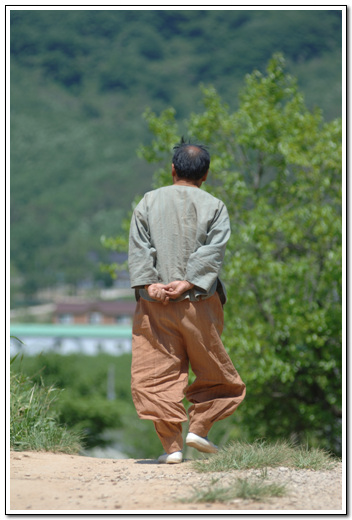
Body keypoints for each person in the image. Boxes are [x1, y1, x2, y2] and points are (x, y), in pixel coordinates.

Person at [128, 139, 246, 464]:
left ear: (173, 169)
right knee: (213, 369)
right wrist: (189, 281)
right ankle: (201, 427)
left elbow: (140, 247)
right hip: (199, 301)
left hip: (155, 305)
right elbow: (213, 250)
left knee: (156, 372)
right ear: (205, 175)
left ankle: (172, 449)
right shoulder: (215, 205)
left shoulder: (148, 202)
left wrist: (151, 285)